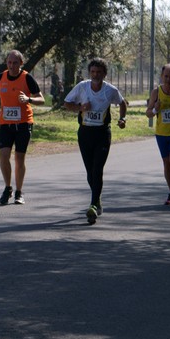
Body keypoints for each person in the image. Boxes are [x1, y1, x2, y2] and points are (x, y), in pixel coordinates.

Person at [64, 57, 127, 224]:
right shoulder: (82, 87)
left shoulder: (110, 90)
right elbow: (67, 103)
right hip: (84, 133)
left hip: (102, 134)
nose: (95, 75)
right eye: (93, 72)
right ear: (89, 73)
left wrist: (122, 119)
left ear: (104, 74)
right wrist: (80, 108)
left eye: (99, 72)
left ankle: (92, 204)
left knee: (97, 169)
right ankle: (97, 199)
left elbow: (122, 103)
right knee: (89, 172)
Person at [0, 50, 45, 205]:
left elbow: (42, 99)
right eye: (9, 62)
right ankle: (8, 188)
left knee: (19, 158)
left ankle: (19, 192)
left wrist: (29, 99)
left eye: (15, 63)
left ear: (21, 63)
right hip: (6, 124)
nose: (11, 66)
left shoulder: (27, 77)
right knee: (4, 156)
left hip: (24, 123)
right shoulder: (1, 77)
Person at [146, 63, 170, 205]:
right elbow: (148, 113)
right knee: (167, 163)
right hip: (162, 133)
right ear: (162, 76)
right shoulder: (156, 92)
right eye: (166, 76)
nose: (168, 79)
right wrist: (155, 110)